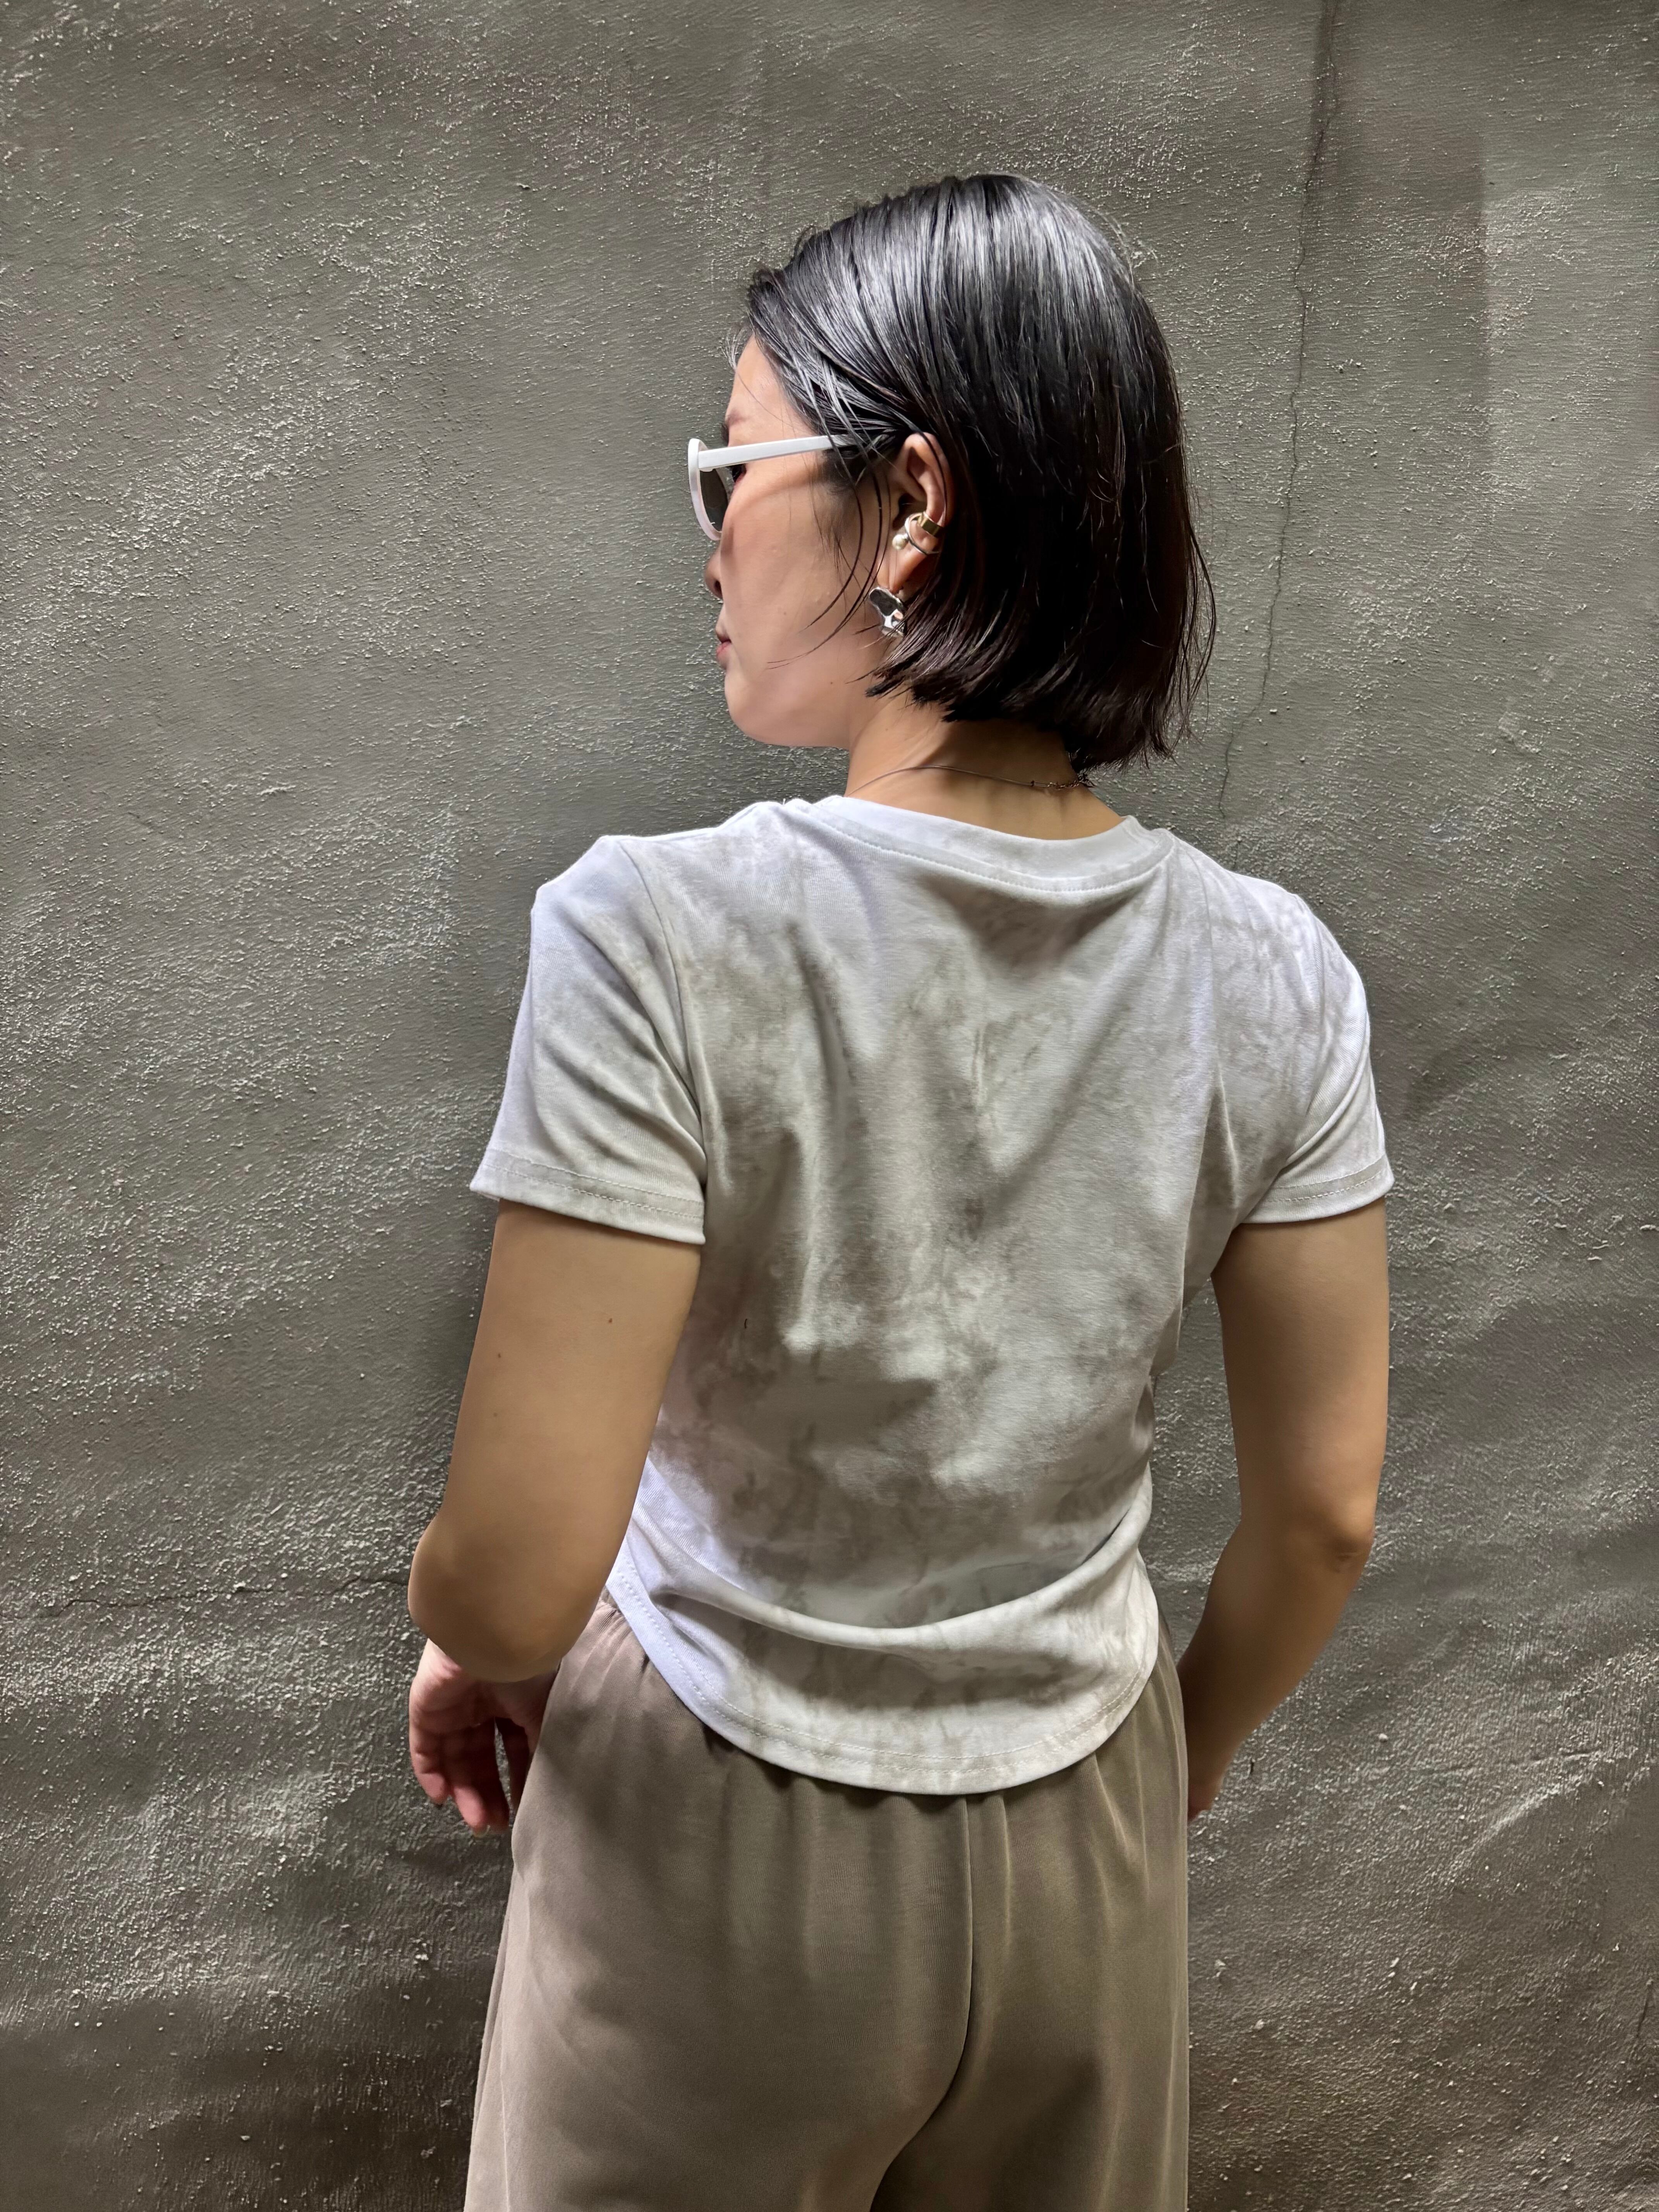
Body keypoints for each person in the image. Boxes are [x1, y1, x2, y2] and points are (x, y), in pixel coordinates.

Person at [404, 172, 1393, 2212]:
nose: (712, 539)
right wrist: (1165, 1772)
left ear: (910, 501)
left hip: (717, 1846)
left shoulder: (657, 936)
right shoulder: (1274, 971)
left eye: (732, 469)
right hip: (1087, 1839)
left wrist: (469, 1628)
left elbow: (513, 1580)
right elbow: (1322, 1516)